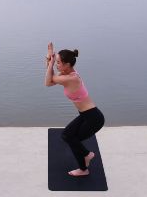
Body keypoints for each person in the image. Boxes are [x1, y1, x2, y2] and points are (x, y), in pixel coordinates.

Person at [45, 43, 105, 177]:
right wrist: (50, 59)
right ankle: (86, 158)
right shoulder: (67, 73)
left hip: (93, 118)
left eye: (58, 62)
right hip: (86, 115)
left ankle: (85, 162)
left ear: (67, 64)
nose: (56, 65)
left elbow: (48, 81)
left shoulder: (71, 79)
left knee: (71, 138)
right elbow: (50, 81)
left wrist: (50, 62)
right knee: (68, 136)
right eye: (56, 62)